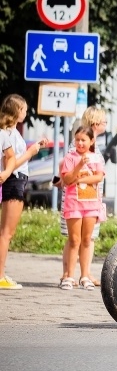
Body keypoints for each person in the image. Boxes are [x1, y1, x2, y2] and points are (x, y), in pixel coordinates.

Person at [57, 106, 108, 286]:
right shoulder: (78, 145)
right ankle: (68, 274)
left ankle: (85, 274)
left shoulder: (94, 148)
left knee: (87, 238)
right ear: (95, 123)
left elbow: (99, 173)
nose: (105, 125)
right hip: (74, 200)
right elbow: (67, 172)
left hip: (91, 200)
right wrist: (76, 178)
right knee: (74, 239)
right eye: (104, 122)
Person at [0, 94, 46, 290]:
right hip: (14, 181)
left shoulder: (11, 133)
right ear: (17, 110)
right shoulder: (7, 134)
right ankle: (0, 274)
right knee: (6, 233)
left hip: (16, 180)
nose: (26, 113)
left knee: (7, 232)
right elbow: (11, 163)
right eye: (24, 109)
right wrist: (30, 152)